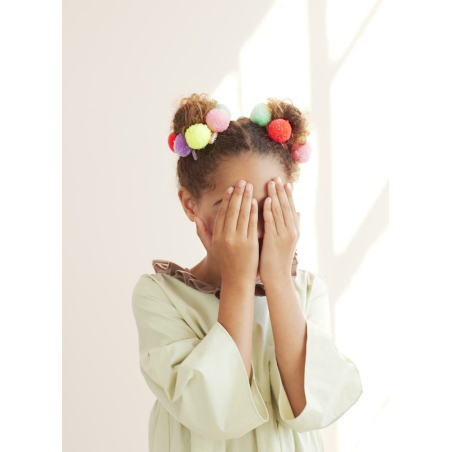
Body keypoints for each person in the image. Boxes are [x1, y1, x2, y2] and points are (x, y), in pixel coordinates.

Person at [131, 93, 363, 451]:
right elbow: (213, 412)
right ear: (191, 205)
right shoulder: (161, 295)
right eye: (235, 210)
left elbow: (313, 405)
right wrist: (238, 281)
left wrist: (278, 278)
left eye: (269, 206)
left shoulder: (306, 290)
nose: (253, 227)